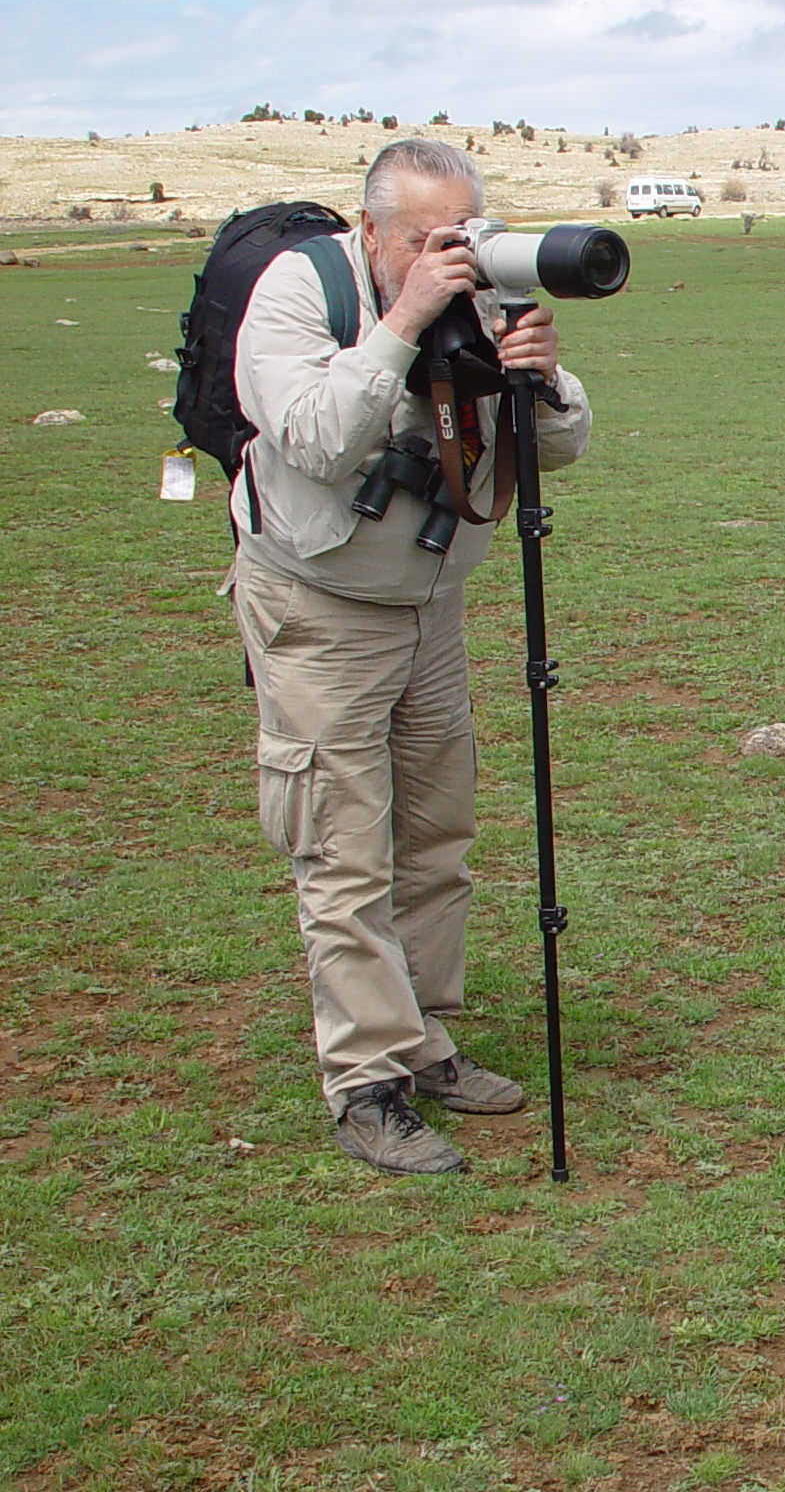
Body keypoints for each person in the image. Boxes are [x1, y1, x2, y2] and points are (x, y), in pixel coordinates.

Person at [227, 138, 593, 1174]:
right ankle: (366, 1082)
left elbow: (559, 446)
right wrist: (400, 324)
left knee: (436, 830)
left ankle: (424, 1035)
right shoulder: (297, 293)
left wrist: (542, 376)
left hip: (430, 607)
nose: (456, 254)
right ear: (373, 233)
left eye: (467, 233)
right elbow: (315, 436)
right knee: (344, 846)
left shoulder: (478, 298)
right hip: (321, 606)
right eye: (433, 240)